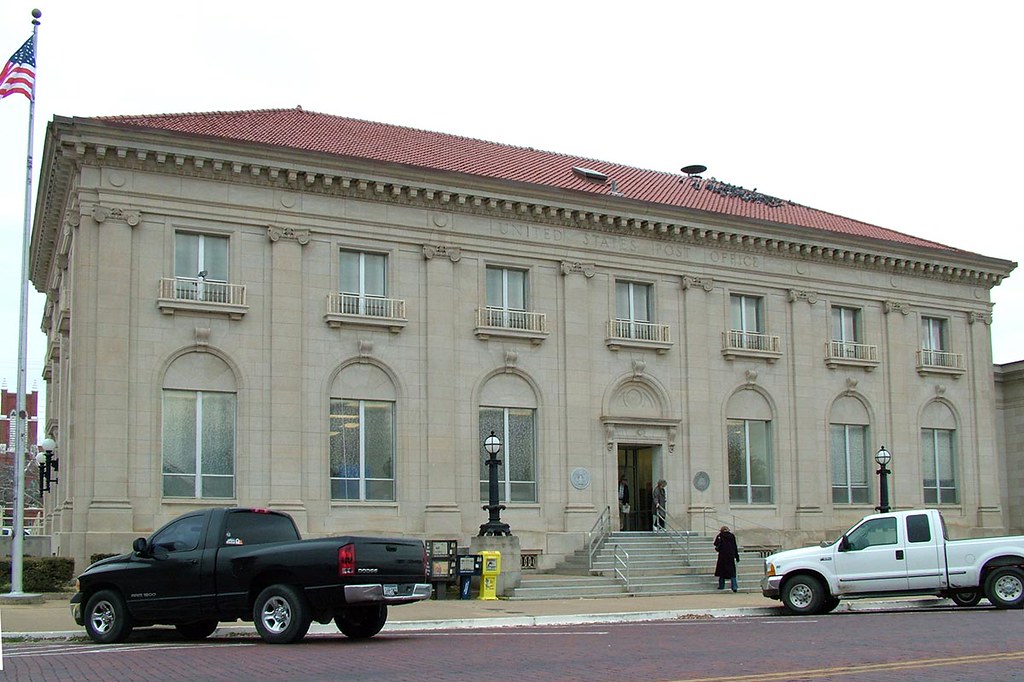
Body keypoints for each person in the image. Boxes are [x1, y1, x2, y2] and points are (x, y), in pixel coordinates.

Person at [714, 525, 740, 592]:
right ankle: (734, 587)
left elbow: (715, 543)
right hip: (730, 556)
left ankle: (721, 586)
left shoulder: (720, 535)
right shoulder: (732, 536)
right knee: (732, 573)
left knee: (722, 572)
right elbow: (735, 546)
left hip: (722, 556)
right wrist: (737, 556)